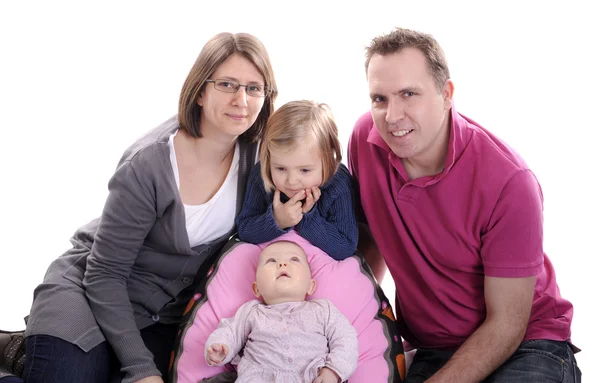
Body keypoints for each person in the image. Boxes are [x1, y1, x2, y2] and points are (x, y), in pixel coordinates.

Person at [17, 32, 278, 383]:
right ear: (200, 91)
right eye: (227, 84)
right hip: (88, 291)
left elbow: (314, 163)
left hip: (157, 314)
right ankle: (19, 355)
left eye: (253, 88)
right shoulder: (150, 163)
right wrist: (141, 369)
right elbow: (104, 275)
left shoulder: (258, 159)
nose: (241, 100)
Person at [347, 27, 581, 382]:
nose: (392, 116)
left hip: (527, 343)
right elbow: (370, 238)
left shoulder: (509, 182)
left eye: (409, 94)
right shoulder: (365, 140)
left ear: (446, 94)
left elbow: (506, 325)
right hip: (432, 346)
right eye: (380, 99)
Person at [205, 240, 358, 383]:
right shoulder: (251, 312)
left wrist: (334, 371)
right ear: (257, 289)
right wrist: (221, 347)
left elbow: (346, 339)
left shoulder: (323, 310)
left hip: (312, 377)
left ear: (310, 286)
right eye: (271, 261)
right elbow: (230, 331)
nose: (282, 263)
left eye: (294, 260)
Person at [236, 100, 358, 260]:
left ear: (328, 161)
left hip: (320, 268)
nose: (292, 181)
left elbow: (345, 247)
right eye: (280, 168)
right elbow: (245, 230)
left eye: (305, 170)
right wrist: (277, 220)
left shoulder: (338, 183)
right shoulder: (261, 176)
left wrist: (308, 218)